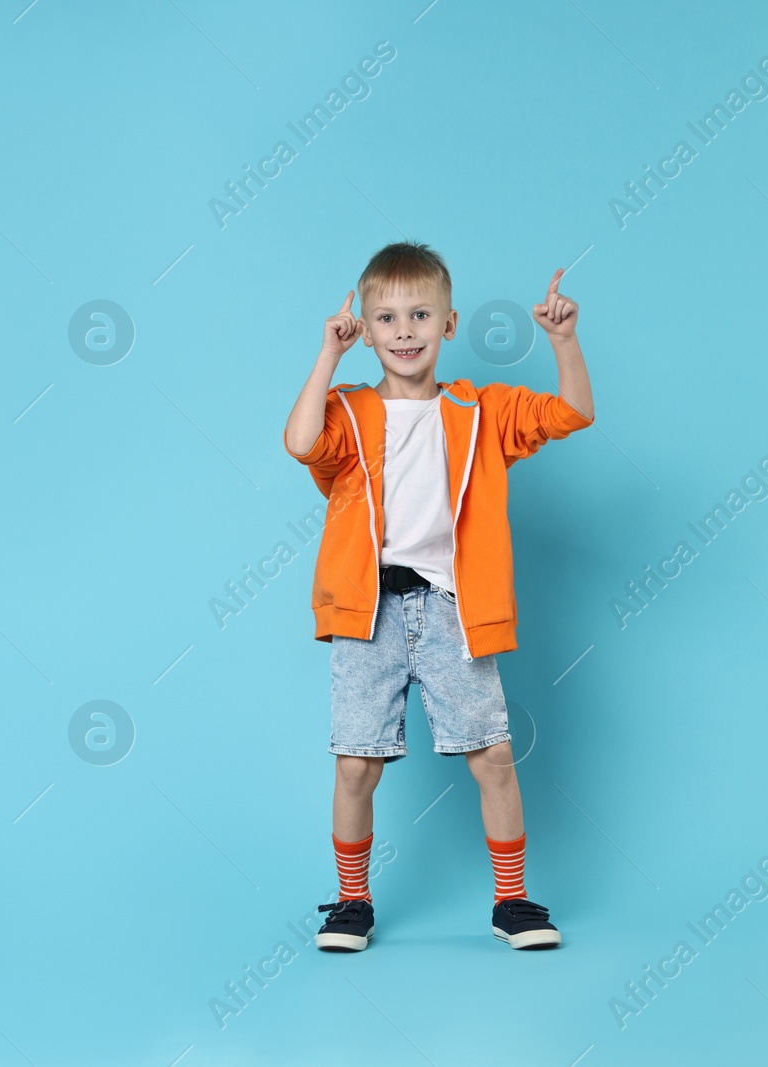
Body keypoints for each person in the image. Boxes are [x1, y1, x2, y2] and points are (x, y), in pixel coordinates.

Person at [281, 241, 596, 951]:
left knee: (492, 754)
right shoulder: (348, 412)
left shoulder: (482, 411)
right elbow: (300, 442)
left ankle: (511, 901)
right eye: (386, 317)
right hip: (368, 611)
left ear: (448, 324)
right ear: (364, 327)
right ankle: (351, 902)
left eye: (420, 314)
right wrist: (327, 357)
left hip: (453, 608)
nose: (404, 330)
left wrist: (564, 341)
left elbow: (574, 413)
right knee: (356, 760)